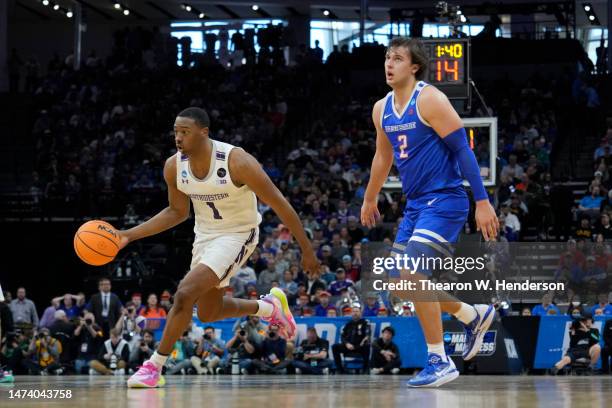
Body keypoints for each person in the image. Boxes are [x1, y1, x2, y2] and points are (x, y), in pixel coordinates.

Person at [123, 107, 319, 387]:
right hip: (205, 237)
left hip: (238, 234)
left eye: (185, 132)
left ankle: (154, 366)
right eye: (175, 132)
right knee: (208, 313)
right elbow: (176, 212)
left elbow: (279, 203)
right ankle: (268, 308)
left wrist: (307, 250)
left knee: (184, 294)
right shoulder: (174, 166)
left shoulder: (237, 161)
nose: (178, 138)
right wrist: (128, 235)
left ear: (204, 132)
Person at [361, 37, 498, 387]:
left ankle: (439, 360)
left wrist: (482, 201)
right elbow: (382, 156)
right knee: (398, 283)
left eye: (397, 59)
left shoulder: (430, 98)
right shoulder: (382, 108)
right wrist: (370, 197)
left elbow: (463, 151)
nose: (389, 64)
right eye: (387, 58)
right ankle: (472, 313)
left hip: (446, 200)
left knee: (411, 273)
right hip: (417, 205)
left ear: (414, 66)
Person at [332, 306, 371, 374]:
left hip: (360, 346)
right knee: (335, 347)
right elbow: (342, 336)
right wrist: (347, 344)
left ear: (361, 313)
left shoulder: (365, 322)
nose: (355, 313)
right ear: (351, 313)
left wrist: (360, 344)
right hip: (349, 346)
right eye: (353, 311)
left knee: (367, 346)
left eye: (357, 311)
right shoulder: (348, 324)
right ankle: (340, 369)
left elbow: (367, 335)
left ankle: (365, 369)